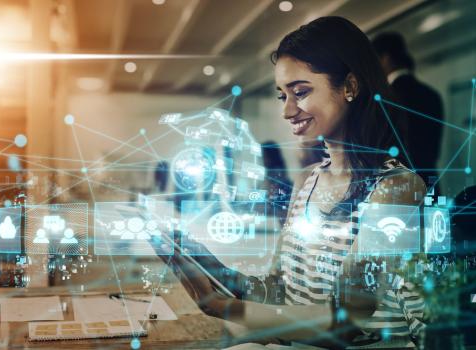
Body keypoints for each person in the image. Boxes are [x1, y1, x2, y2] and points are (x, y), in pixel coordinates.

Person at [162, 17, 426, 349]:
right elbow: (279, 289)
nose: (288, 111)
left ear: (350, 87)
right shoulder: (310, 181)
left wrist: (226, 307)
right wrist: (212, 267)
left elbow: (348, 321)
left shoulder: (397, 188)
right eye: (282, 96)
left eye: (300, 92)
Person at [372, 32, 444, 190]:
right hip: (431, 183)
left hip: (399, 188)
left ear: (385, 58)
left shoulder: (385, 98)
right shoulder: (432, 95)